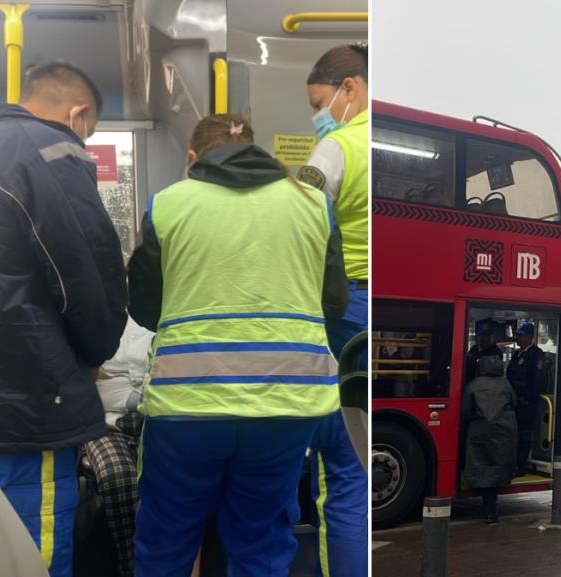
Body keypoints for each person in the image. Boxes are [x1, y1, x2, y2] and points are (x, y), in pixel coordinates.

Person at [127, 114, 348, 577]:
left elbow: (145, 307)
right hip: (286, 408)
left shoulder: (167, 204)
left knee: (165, 545)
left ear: (192, 158)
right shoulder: (313, 204)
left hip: (186, 409)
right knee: (261, 543)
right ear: (257, 148)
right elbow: (333, 304)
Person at [0, 62, 128, 577]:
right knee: (30, 552)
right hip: (24, 402)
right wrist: (95, 353)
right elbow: (87, 272)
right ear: (79, 115)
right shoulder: (48, 148)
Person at [297, 42, 369, 577]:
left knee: (344, 469)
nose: (319, 116)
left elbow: (296, 223)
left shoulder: (336, 148)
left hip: (347, 308)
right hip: (379, 306)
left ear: (350, 88)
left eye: (320, 102)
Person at [81, 316, 154, 577]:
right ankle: (129, 566)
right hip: (104, 425)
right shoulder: (90, 331)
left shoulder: (150, 331)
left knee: (174, 479)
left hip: (151, 422)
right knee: (117, 477)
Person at [461, 356, 518, 525]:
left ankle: (489, 510)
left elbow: (465, 412)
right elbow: (514, 403)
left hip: (479, 431)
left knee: (482, 464)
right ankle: (491, 510)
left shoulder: (473, 385)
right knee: (497, 465)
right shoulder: (505, 384)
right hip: (504, 431)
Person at [505, 321, 546, 472]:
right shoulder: (517, 354)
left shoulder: (536, 355)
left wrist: (527, 397)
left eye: (521, 336)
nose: (518, 339)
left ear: (529, 337)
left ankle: (521, 465)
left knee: (524, 434)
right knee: (513, 433)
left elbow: (536, 381)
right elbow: (509, 375)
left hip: (527, 402)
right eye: (517, 336)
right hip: (514, 400)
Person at [465, 318, 503, 384]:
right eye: (481, 335)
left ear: (491, 338)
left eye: (487, 336)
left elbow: (492, 372)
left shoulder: (496, 352)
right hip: (470, 382)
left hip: (487, 385)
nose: (483, 339)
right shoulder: (475, 349)